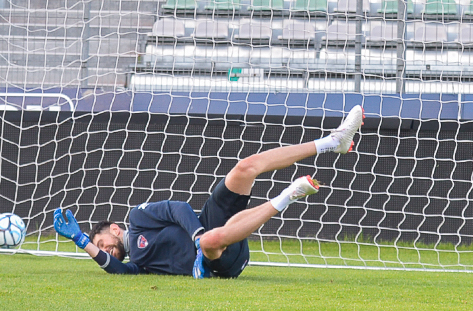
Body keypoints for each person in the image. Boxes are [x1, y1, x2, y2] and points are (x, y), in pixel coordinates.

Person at [52, 106, 363, 278]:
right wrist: (81, 242)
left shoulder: (139, 217)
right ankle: (289, 196)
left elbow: (178, 208)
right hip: (218, 263)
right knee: (216, 240)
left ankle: (332, 142)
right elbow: (116, 270)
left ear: (116, 229)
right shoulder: (139, 265)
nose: (102, 249)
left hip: (207, 223)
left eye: (101, 242)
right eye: (97, 247)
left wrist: (198, 235)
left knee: (244, 168)